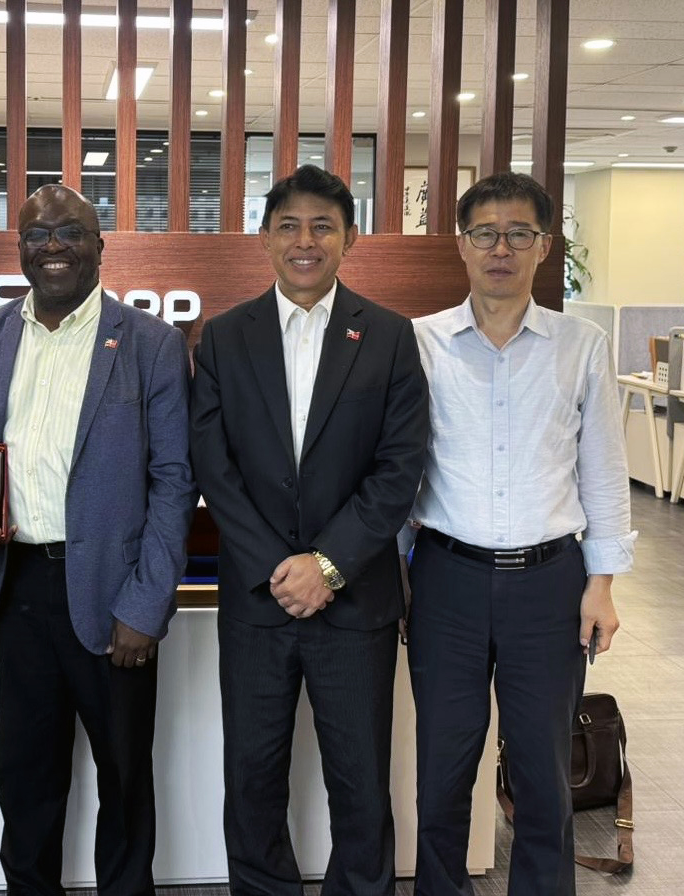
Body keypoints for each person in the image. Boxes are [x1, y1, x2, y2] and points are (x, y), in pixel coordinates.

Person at [0, 183, 196, 896]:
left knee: (124, 778)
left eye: (70, 232)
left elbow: (175, 481)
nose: (52, 246)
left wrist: (146, 605)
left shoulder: (149, 342)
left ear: (99, 246)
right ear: (20, 247)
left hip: (115, 597)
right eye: (37, 235)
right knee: (25, 777)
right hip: (18, 587)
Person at [190, 164, 430, 895]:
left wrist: (325, 565)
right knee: (252, 777)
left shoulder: (388, 336)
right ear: (264, 238)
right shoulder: (224, 337)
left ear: (349, 238)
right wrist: (279, 567)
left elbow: (400, 468)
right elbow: (213, 465)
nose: (305, 241)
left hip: (354, 600)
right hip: (257, 601)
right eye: (289, 226)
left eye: (323, 226)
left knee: (360, 783)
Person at [404, 171, 635, 896]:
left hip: (550, 584)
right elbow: (399, 470)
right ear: (461, 244)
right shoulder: (420, 343)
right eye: (485, 233)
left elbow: (604, 470)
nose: (500, 248)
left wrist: (602, 584)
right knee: (443, 769)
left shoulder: (581, 344)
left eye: (518, 234)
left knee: (543, 774)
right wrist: (400, 574)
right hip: (446, 580)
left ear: (544, 245)